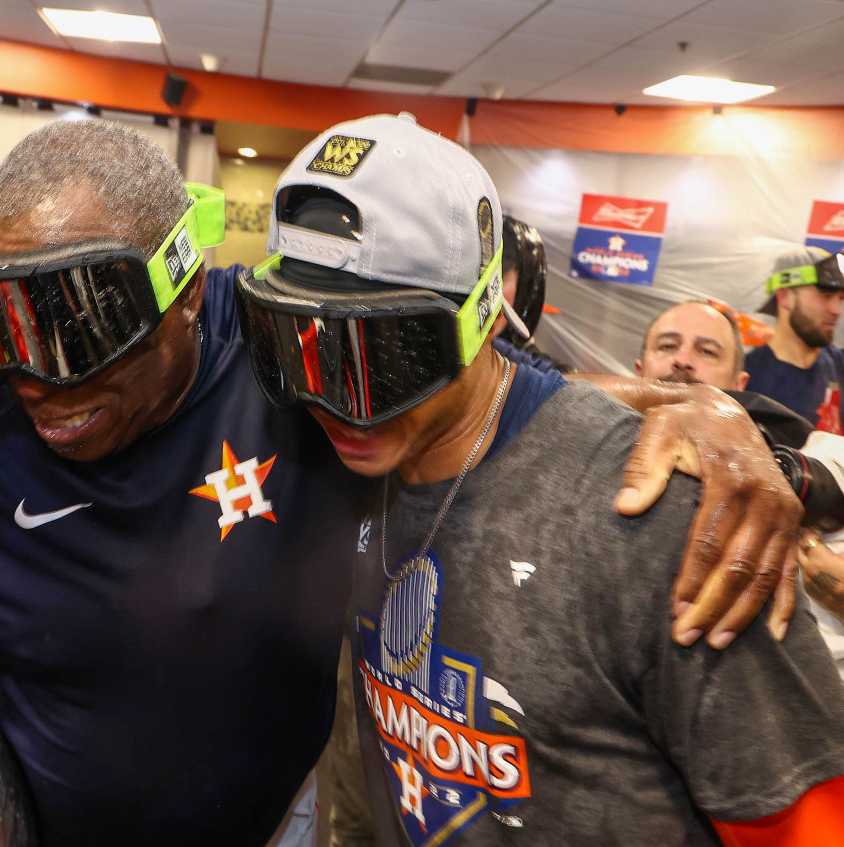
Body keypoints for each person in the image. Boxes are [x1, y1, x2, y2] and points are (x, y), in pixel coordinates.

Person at [0, 119, 800, 847]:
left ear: (188, 292)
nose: (34, 375)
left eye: (77, 330)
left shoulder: (288, 363)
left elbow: (466, 385)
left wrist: (702, 415)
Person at [236, 112, 844, 844]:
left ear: (485, 315)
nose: (335, 395)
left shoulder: (660, 520)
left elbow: (806, 825)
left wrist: (716, 415)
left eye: (387, 354)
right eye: (304, 341)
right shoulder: (355, 457)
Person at [637, 299, 844, 674]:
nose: (683, 360)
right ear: (637, 371)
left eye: (707, 351)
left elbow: (832, 473)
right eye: (668, 346)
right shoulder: (587, 442)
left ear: (739, 383)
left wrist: (778, 474)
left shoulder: (804, 445)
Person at [745, 246, 844, 433]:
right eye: (826, 296)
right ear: (784, 297)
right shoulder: (746, 377)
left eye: (840, 298)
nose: (837, 310)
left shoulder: (840, 365)